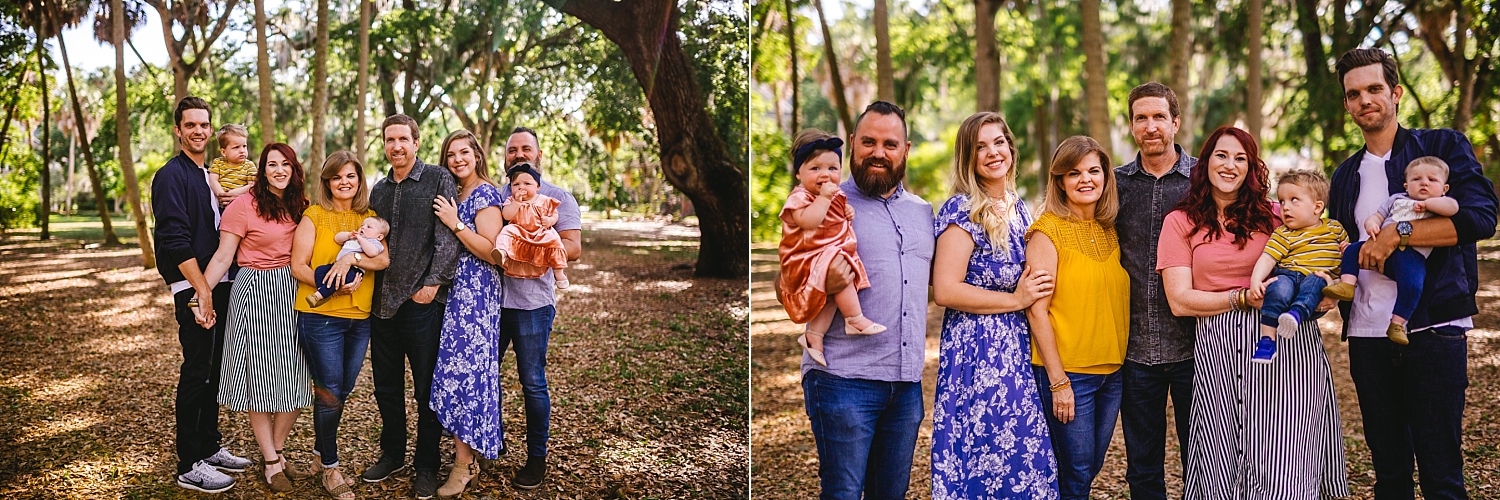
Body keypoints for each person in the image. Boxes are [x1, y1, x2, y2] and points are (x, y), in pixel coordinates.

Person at [1326, 48, 1498, 499]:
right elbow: (1339, 245)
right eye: (1354, 93)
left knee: (1442, 475)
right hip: (1367, 336)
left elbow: (1480, 218)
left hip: (1434, 328)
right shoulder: (1344, 175)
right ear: (1346, 105)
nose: (1365, 100)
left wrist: (1399, 234)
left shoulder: (1441, 147)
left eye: (1375, 89)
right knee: (1390, 476)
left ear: (1396, 92)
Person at [1158, 126, 1349, 499]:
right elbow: (1179, 301)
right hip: (1219, 346)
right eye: (1221, 155)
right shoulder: (1180, 222)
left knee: (1286, 456)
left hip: (1289, 346)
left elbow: (1328, 248)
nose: (1230, 165)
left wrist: (1330, 290)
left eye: (1241, 158)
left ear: (1251, 167)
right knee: (1221, 455)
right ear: (1205, 162)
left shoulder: (1278, 214)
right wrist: (1243, 298)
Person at [794, 101, 931, 499]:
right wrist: (822, 281)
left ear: (906, 150)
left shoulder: (923, 213)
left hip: (905, 388)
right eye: (868, 141)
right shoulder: (823, 206)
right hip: (842, 380)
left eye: (890, 144)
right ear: (852, 143)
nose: (878, 152)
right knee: (844, 494)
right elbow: (784, 281)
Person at [930, 112, 1058, 498]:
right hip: (979, 350)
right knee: (988, 455)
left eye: (998, 142)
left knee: (1023, 454)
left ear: (1011, 147)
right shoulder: (961, 210)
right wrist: (1015, 299)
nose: (992, 152)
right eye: (980, 146)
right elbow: (946, 290)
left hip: (1019, 344)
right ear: (967, 157)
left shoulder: (1020, 208)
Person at [151, 96, 254, 493]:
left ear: (211, 131)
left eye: (203, 125)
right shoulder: (171, 176)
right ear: (178, 130)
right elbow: (174, 240)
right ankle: (188, 462)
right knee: (196, 370)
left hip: (219, 282)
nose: (197, 131)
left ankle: (209, 445)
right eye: (189, 124)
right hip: (194, 287)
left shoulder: (208, 175)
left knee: (213, 369)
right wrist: (201, 290)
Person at [199, 143, 315, 492]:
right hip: (255, 292)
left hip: (293, 292)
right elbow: (223, 257)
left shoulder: (301, 207)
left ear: (295, 170)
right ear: (261, 170)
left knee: (297, 379)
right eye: (272, 165)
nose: (279, 170)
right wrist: (202, 295)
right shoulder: (242, 206)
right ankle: (269, 461)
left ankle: (277, 451)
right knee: (261, 382)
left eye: (286, 165)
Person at [1024, 136, 1128, 500]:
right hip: (1070, 374)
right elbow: (1036, 311)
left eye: (1094, 171)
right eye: (1074, 172)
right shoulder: (1046, 232)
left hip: (1112, 373)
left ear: (1105, 177)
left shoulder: (1109, 230)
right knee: (1076, 474)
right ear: (1060, 181)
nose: (1086, 179)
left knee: (1088, 468)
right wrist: (1058, 382)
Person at [362, 114, 460, 499]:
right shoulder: (379, 190)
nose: (396, 146)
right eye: (390, 139)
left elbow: (447, 237)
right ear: (384, 144)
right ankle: (392, 454)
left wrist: (433, 286)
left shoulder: (437, 178)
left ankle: (426, 465)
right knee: (386, 388)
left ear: (416, 142)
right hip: (381, 305)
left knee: (425, 391)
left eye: (403, 138)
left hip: (421, 304)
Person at [1113, 82, 1196, 500]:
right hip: (1134, 350)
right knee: (1143, 468)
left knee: (1203, 463)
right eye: (1141, 118)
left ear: (1175, 122)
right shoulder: (1115, 185)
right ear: (1131, 126)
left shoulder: (1204, 179)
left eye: (1159, 117)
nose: (1150, 126)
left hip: (1198, 349)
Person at [291, 151, 390, 500]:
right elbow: (298, 266)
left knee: (341, 390)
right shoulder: (313, 216)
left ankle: (320, 456)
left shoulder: (370, 218)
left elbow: (383, 258)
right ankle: (331, 467)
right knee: (330, 391)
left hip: (359, 319)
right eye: (337, 177)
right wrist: (330, 281)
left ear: (359, 181)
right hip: (320, 318)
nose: (344, 182)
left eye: (351, 176)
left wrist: (350, 258)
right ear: (327, 182)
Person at [493, 127, 584, 489]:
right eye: (512, 149)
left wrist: (533, 245)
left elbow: (573, 248)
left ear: (539, 154)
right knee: (486, 376)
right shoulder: (495, 196)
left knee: (532, 382)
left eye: (525, 148)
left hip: (533, 305)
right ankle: (489, 442)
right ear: (504, 157)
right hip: (492, 304)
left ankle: (536, 458)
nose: (518, 154)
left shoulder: (557, 197)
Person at [426, 130, 507, 497]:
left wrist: (456, 224)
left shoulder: (485, 194)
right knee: (454, 375)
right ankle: (468, 455)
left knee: (467, 377)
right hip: (454, 296)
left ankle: (464, 465)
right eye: (451, 153)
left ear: (476, 155)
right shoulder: (455, 194)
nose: (457, 159)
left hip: (476, 298)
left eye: (464, 152)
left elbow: (493, 252)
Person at [777, 129, 885, 367]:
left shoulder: (835, 195)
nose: (825, 175)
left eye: (832, 169)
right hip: (803, 259)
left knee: (834, 292)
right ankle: (854, 318)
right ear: (798, 173)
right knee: (838, 267)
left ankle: (814, 336)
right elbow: (810, 221)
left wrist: (847, 212)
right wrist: (825, 199)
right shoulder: (799, 197)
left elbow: (835, 219)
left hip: (823, 255)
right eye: (815, 169)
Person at [1324, 156, 1460, 345]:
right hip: (1377, 248)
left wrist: (1429, 204)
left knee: (1413, 285)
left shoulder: (1440, 203)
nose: (1424, 183)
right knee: (1352, 249)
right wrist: (1371, 224)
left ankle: (1397, 323)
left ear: (1444, 188)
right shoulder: (1397, 199)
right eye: (1416, 179)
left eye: (1432, 180)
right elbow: (1377, 216)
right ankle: (1347, 285)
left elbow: (1453, 208)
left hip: (1411, 256)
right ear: (1406, 185)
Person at [1246, 169, 1348, 362]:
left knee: (1316, 281)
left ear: (1317, 207)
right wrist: (1256, 280)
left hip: (1317, 285)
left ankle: (1295, 314)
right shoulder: (1283, 233)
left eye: (1294, 200)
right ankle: (1267, 340)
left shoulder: (1335, 229)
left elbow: (1347, 262)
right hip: (1289, 276)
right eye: (1282, 201)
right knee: (1278, 285)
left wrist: (1339, 279)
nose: (1285, 207)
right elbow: (1268, 258)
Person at [493, 163, 572, 289]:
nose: (521, 187)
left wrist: (550, 220)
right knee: (507, 230)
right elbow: (506, 215)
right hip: (519, 232)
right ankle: (502, 252)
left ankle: (559, 272)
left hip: (540, 232)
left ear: (538, 186)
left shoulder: (545, 200)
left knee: (554, 240)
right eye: (516, 184)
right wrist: (516, 202)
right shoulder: (511, 200)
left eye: (527, 184)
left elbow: (555, 214)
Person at [306, 216, 388, 308]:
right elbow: (337, 238)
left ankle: (318, 296)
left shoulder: (374, 242)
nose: (363, 227)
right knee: (319, 270)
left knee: (339, 279)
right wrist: (348, 235)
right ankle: (323, 291)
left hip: (353, 270)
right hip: (336, 266)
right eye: (362, 225)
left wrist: (361, 240)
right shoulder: (354, 237)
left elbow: (372, 253)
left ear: (379, 236)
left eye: (368, 227)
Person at [208, 124, 255, 207]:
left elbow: (252, 186)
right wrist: (222, 195)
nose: (242, 151)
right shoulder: (218, 163)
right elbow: (213, 180)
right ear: (224, 152)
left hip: (241, 205)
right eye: (236, 147)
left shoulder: (249, 166)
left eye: (244, 146)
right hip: (221, 204)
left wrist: (235, 193)